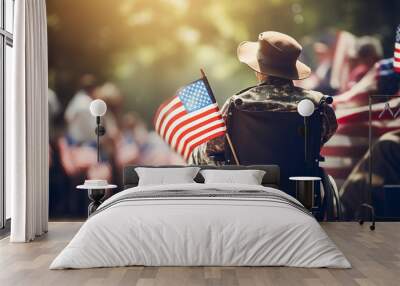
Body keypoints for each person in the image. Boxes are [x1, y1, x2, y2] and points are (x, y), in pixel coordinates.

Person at [189, 31, 338, 165]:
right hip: (301, 188)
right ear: (292, 69)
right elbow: (322, 136)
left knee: (198, 154)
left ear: (259, 70)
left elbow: (213, 147)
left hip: (248, 186)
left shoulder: (238, 104)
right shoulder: (319, 105)